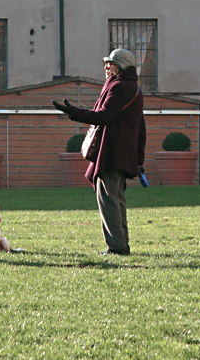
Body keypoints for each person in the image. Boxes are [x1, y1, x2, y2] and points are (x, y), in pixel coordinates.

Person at [52, 48, 146, 255]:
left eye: (110, 63)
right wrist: (138, 158)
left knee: (109, 201)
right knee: (117, 200)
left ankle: (117, 247)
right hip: (122, 154)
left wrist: (73, 112)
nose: (106, 67)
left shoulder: (120, 87)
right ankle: (121, 244)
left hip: (111, 153)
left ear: (120, 66)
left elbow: (103, 116)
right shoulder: (134, 88)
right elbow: (141, 127)